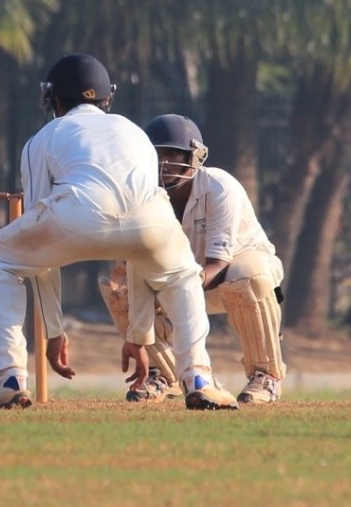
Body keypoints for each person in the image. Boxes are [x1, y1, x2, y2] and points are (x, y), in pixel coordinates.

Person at [0, 53, 239, 410]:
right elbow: (138, 257)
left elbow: (39, 240)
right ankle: (198, 377)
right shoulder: (134, 132)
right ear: (106, 96)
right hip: (151, 222)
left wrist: (53, 331)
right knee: (183, 278)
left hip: (77, 214)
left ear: (54, 97)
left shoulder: (44, 137)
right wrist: (138, 337)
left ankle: (8, 377)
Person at [97, 114, 287, 405]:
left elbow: (219, 262)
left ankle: (266, 375)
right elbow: (136, 265)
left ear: (194, 156)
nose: (165, 163)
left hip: (232, 277)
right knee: (117, 283)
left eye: (173, 153)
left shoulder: (219, 186)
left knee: (249, 272)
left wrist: (181, 286)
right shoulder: (141, 196)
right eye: (157, 154)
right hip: (185, 282)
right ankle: (163, 373)